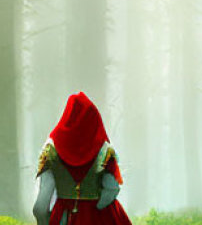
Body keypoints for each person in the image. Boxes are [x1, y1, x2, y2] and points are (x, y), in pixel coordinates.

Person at [33, 92, 134, 225]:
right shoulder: (105, 151)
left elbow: (40, 207)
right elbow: (112, 189)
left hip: (65, 217)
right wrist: (97, 208)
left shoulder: (50, 152)